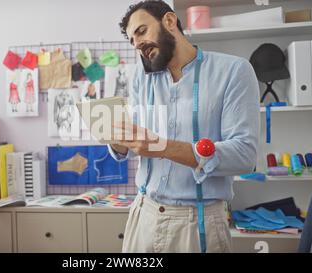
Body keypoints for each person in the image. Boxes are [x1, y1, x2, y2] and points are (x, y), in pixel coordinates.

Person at [108, 0, 260, 253]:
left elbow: (244, 155)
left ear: (169, 21)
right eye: (132, 41)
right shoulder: (140, 77)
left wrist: (161, 147)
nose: (138, 45)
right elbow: (139, 144)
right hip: (142, 214)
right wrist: (119, 140)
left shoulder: (234, 71)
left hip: (197, 221)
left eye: (142, 31)